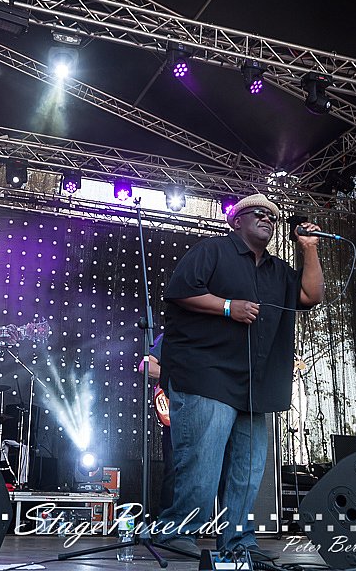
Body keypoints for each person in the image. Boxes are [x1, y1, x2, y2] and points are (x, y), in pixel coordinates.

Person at [153, 193, 324, 556]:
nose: (267, 219)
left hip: (254, 384)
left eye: (272, 217)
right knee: (202, 461)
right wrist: (228, 307)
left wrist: (309, 248)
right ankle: (177, 531)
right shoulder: (212, 251)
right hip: (207, 374)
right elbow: (180, 291)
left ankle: (237, 540)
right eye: (258, 213)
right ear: (236, 221)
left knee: (248, 469)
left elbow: (311, 295)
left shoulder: (278, 270)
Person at [138, 333, 174, 513]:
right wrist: (177, 375)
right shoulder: (172, 334)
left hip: (207, 411)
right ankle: (168, 523)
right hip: (177, 412)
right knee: (174, 469)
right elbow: (145, 365)